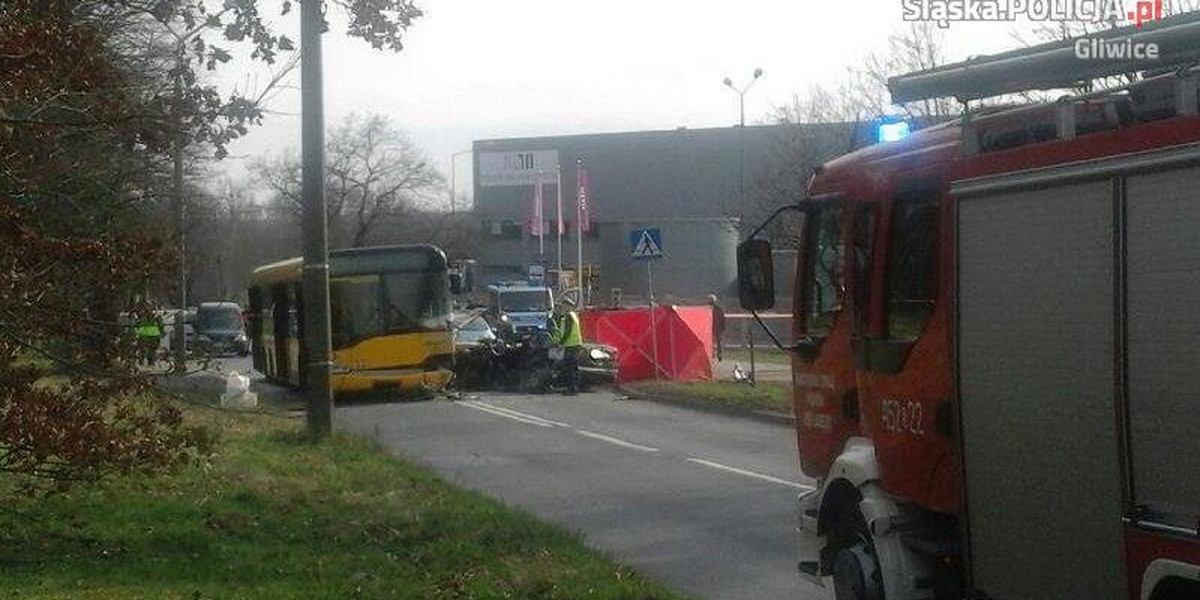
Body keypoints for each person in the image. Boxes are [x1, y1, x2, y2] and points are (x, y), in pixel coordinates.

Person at [551, 300, 583, 395]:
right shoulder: (573, 315)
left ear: (569, 306)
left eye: (564, 306)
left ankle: (571, 389)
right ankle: (574, 388)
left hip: (571, 345)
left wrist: (561, 343)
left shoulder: (569, 316)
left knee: (570, 368)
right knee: (573, 368)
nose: (563, 308)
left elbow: (568, 331)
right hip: (575, 345)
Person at [708, 294, 726, 362]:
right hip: (710, 328)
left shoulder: (719, 309)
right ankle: (711, 355)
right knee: (711, 342)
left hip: (717, 328)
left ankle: (719, 355)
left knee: (718, 342)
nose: (711, 301)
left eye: (712, 300)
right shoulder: (707, 309)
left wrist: (722, 328)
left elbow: (722, 319)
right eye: (710, 300)